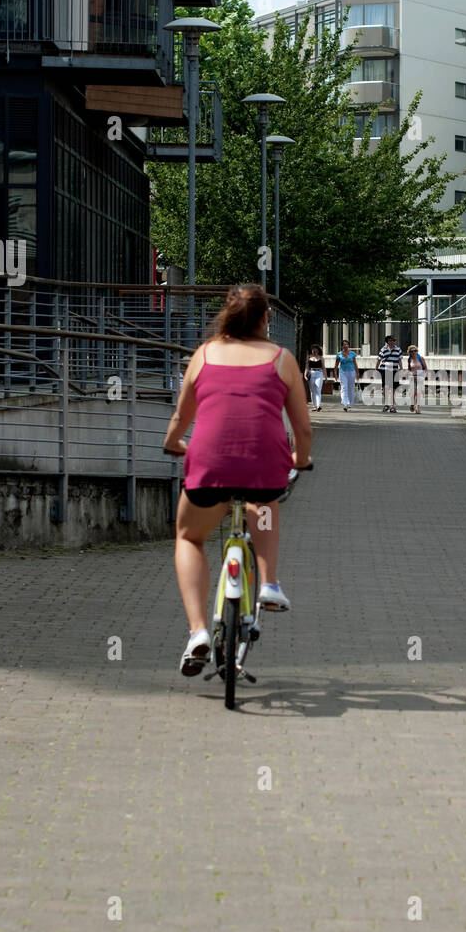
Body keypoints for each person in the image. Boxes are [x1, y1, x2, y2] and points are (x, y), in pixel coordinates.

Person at [162, 283, 312, 677]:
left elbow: (182, 417)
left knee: (189, 537)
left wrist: (173, 442)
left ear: (226, 315)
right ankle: (270, 584)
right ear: (266, 319)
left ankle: (197, 632)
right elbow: (303, 427)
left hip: (209, 465)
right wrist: (302, 458)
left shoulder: (204, 354)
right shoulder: (282, 358)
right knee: (263, 501)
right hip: (263, 467)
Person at [377, 334, 402, 412]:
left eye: (394, 340)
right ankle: (386, 404)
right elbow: (379, 359)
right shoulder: (383, 349)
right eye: (391, 340)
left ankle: (392, 405)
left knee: (393, 388)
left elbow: (399, 360)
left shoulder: (398, 349)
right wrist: (376, 368)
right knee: (385, 387)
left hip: (394, 370)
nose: (393, 342)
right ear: (387, 341)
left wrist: (401, 368)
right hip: (385, 369)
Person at [334, 339, 359, 410]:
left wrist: (357, 373)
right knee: (344, 387)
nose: (346, 346)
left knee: (351, 388)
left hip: (351, 372)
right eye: (344, 344)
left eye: (347, 344)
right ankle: (346, 403)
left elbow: (355, 364)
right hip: (342, 372)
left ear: (349, 345)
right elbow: (336, 366)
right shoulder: (339, 354)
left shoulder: (352, 354)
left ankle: (350, 405)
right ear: (342, 346)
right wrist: (335, 374)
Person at [304, 344, 327, 412]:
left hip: (319, 373)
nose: (314, 351)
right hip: (311, 373)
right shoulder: (309, 357)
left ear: (318, 350)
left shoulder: (321, 358)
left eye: (316, 350)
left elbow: (323, 367)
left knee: (318, 389)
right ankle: (314, 406)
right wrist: (305, 375)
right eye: (313, 350)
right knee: (312, 390)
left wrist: (325, 377)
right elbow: (307, 367)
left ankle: (318, 405)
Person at [406, 344, 428, 413]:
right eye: (412, 351)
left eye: (415, 351)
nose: (414, 352)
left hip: (420, 377)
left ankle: (417, 408)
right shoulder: (409, 359)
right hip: (412, 377)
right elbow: (409, 368)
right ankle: (412, 404)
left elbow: (425, 367)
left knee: (418, 392)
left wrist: (424, 375)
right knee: (413, 393)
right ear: (409, 352)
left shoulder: (421, 358)